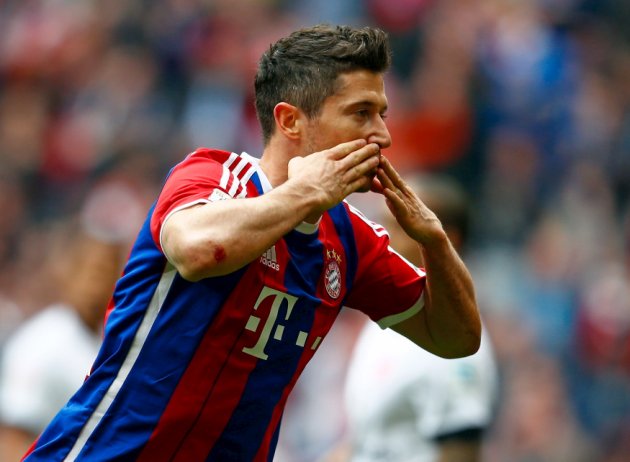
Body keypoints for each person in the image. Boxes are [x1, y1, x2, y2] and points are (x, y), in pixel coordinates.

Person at [22, 24, 481, 461]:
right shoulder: (212, 178)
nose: (382, 136)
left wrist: (435, 242)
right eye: (361, 113)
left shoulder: (349, 239)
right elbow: (197, 252)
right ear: (291, 121)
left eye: (382, 114)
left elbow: (457, 338)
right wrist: (308, 193)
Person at [342, 174, 499, 462]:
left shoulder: (455, 345)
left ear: (444, 239)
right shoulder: (387, 318)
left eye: (399, 225)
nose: (383, 236)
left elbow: (461, 452)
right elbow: (367, 443)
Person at [0, 179, 139, 461]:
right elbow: (11, 440)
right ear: (68, 270)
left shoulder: (107, 340)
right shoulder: (44, 340)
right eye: (90, 270)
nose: (96, 283)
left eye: (107, 272)